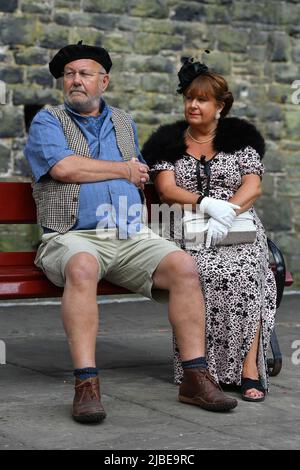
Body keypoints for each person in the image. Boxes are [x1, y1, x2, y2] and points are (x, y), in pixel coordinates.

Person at [24, 43, 238, 423]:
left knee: (184, 268)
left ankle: (194, 376)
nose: (75, 80)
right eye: (69, 74)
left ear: (103, 81)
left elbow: (142, 171)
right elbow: (64, 168)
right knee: (84, 267)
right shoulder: (48, 121)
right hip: (71, 235)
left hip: (129, 233)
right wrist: (123, 170)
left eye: (84, 73)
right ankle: (86, 384)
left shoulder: (124, 121)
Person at [142, 57, 277, 402]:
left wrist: (226, 213)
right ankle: (203, 371)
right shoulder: (168, 142)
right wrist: (206, 204)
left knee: (247, 273)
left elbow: (252, 186)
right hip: (187, 229)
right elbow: (166, 190)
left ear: (220, 106)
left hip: (239, 227)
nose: (193, 105)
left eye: (201, 99)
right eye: (189, 98)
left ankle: (249, 369)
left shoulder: (240, 140)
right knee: (201, 272)